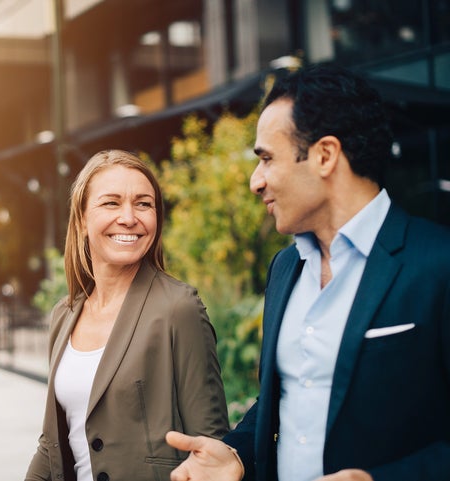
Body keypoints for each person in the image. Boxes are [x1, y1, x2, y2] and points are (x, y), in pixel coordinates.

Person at [166, 64, 450, 481]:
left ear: (324, 155)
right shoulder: (285, 268)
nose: (254, 181)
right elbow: (287, 396)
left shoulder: (438, 264)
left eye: (266, 159)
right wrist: (238, 454)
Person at [25, 149, 229, 481]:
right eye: (111, 203)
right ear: (81, 220)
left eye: (144, 204)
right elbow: (52, 447)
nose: (129, 217)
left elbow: (210, 448)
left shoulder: (179, 308)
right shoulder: (64, 315)